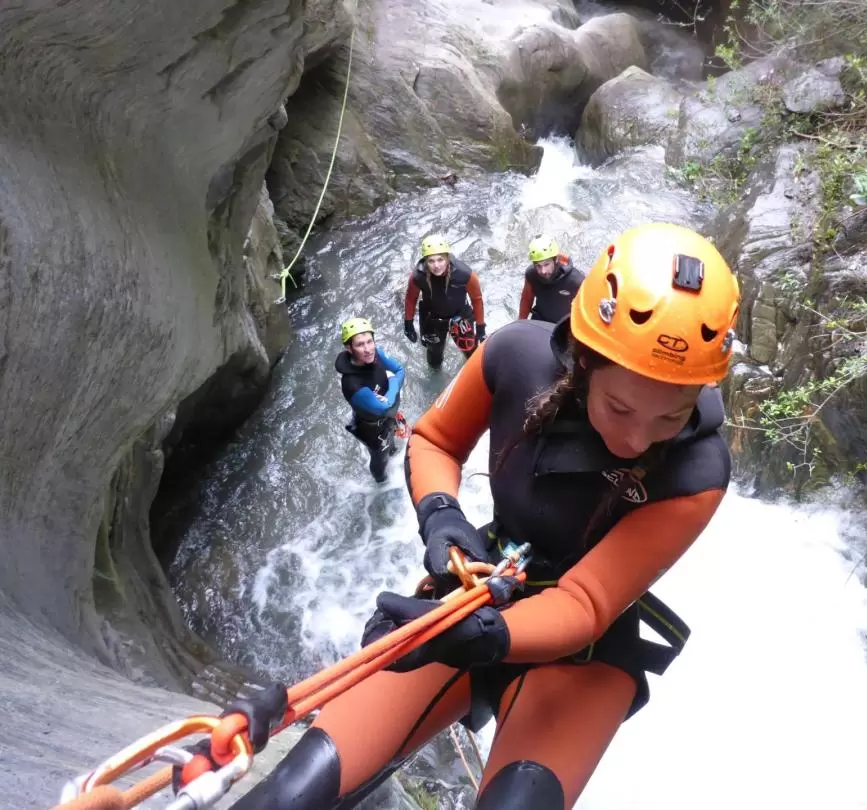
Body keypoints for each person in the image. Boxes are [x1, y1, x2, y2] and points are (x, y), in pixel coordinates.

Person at [231, 222, 741, 810]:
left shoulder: (698, 470)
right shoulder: (517, 357)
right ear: (584, 360)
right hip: (477, 590)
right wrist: (442, 514)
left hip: (583, 651)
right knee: (291, 793)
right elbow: (437, 440)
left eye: (669, 420)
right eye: (620, 406)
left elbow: (586, 603)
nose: (634, 439)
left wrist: (484, 634)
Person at [336, 317, 406, 484]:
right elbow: (386, 407)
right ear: (349, 348)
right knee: (380, 456)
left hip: (385, 415)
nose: (368, 349)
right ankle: (381, 482)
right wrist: (393, 387)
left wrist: (390, 390)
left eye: (370, 341)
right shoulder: (353, 384)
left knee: (392, 446)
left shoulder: (376, 355)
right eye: (360, 345)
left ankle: (394, 454)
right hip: (371, 429)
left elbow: (400, 370)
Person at [403, 234, 487, 368]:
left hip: (460, 316)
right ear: (425, 261)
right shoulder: (418, 276)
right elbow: (410, 298)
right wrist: (408, 324)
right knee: (434, 358)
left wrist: (481, 329)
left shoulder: (465, 274)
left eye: (440, 260)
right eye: (431, 261)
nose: (436, 265)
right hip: (432, 318)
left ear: (447, 258)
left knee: (471, 354)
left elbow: (477, 300)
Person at [516, 234, 585, 324]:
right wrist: (520, 323)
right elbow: (526, 299)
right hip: (539, 321)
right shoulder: (531, 274)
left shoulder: (576, 281)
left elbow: (586, 311)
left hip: (563, 328)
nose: (543, 271)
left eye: (546, 264)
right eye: (538, 266)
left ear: (556, 259)